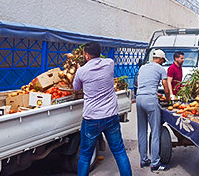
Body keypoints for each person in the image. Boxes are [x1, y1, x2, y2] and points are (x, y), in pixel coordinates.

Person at [73, 42, 132, 176]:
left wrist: (79, 69)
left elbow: (76, 88)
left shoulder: (82, 71)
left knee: (85, 155)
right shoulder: (109, 63)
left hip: (92, 119)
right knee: (119, 151)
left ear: (87, 55)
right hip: (111, 116)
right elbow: (103, 63)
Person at [136, 49, 171, 172]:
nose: (163, 63)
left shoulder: (143, 67)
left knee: (142, 131)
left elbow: (140, 83)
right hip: (151, 100)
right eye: (163, 60)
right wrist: (169, 100)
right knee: (155, 131)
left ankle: (143, 160)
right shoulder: (161, 69)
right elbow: (166, 89)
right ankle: (155, 163)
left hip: (139, 98)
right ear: (160, 59)